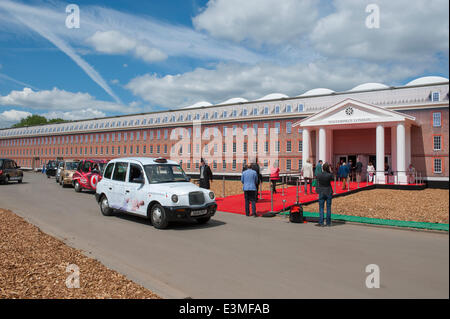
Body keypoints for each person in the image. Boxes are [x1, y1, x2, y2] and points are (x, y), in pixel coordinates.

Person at [316, 162, 334, 227]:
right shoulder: (329, 175)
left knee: (321, 208)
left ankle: (321, 222)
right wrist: (330, 171)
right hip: (328, 191)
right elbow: (333, 178)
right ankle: (328, 223)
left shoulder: (319, 174)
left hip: (321, 191)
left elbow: (317, 181)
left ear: (323, 168)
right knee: (328, 208)